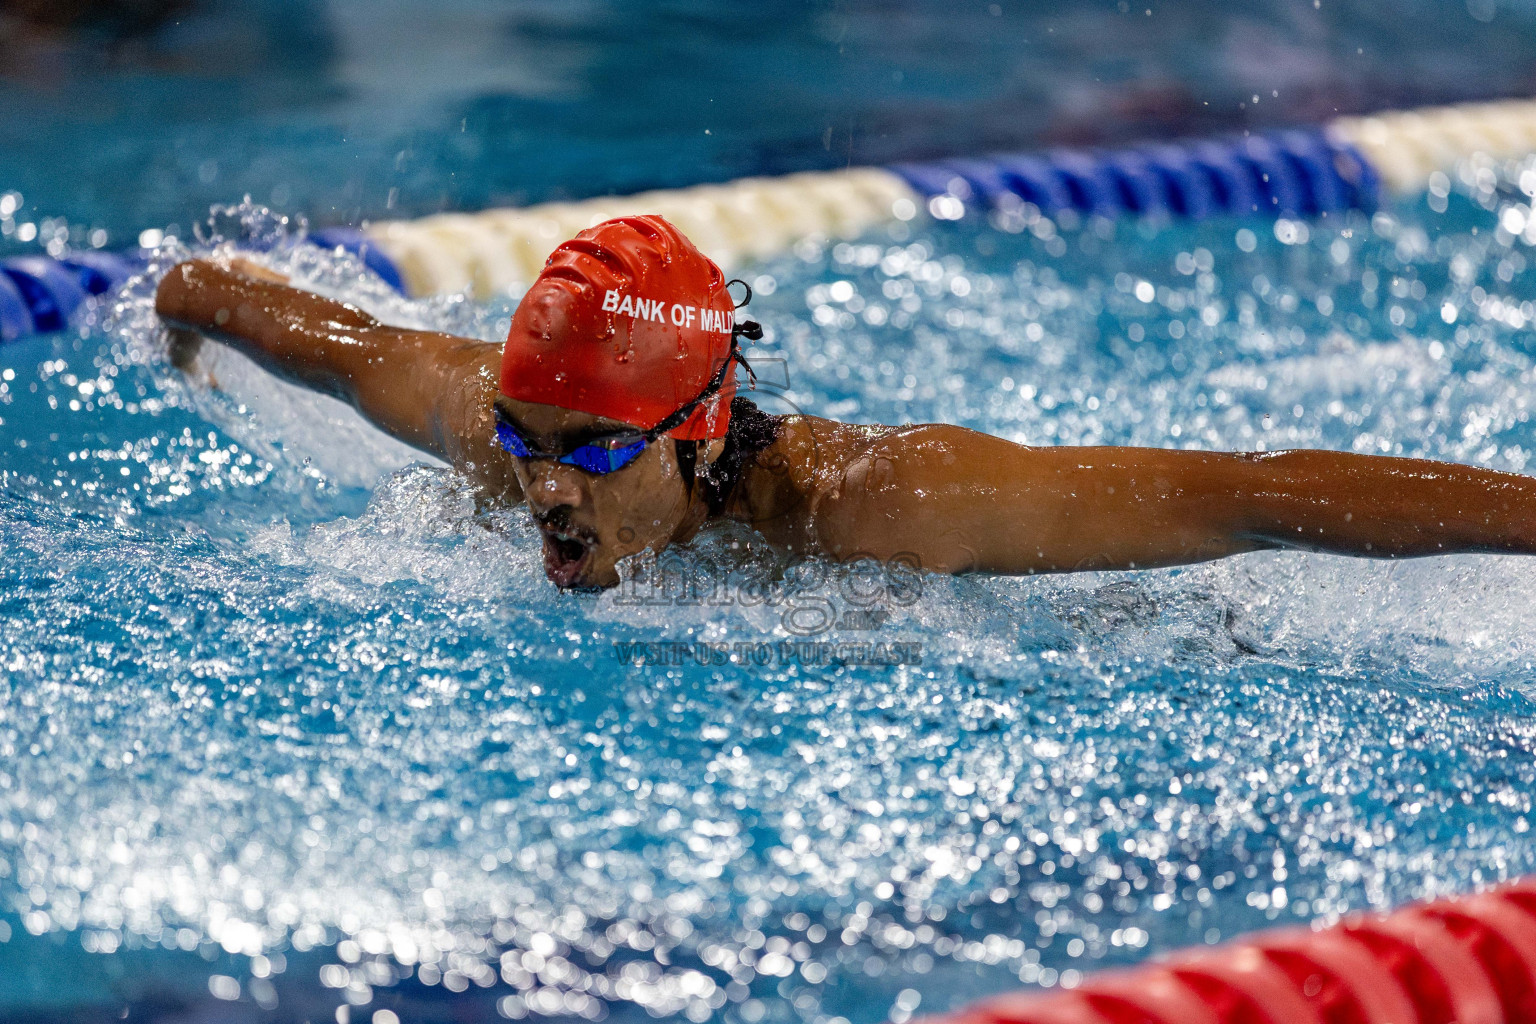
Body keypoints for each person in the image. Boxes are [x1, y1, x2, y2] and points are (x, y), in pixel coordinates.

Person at [155, 215, 1536, 590]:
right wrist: (190, 305)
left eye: (589, 450)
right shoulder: (495, 427)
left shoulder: (876, 505)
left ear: (700, 426)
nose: (546, 490)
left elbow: (1250, 495)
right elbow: (323, 338)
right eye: (528, 442)